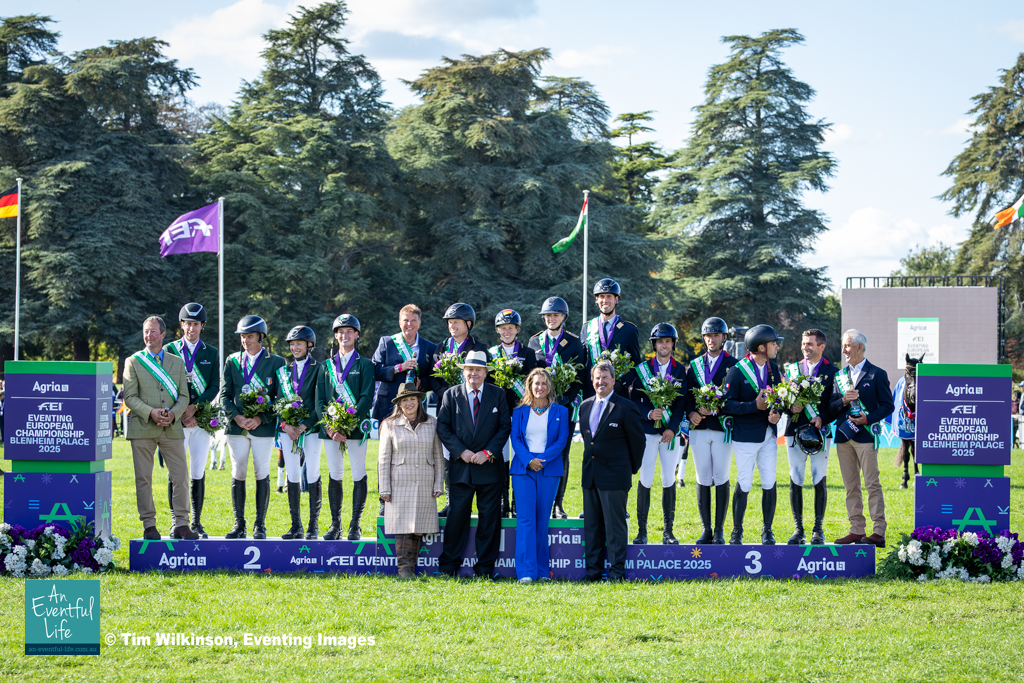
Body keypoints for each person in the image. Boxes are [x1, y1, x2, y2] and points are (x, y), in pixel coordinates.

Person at [435, 350, 511, 578]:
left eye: (479, 370)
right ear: (464, 372)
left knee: (490, 519)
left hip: (490, 466)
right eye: (470, 369)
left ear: (486, 373)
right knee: (457, 517)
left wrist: (487, 452)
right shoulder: (451, 394)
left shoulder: (498, 394)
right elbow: (443, 428)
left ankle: (485, 568)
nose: (474, 374)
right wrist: (462, 452)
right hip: (462, 467)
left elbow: (504, 427)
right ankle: (449, 566)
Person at [123, 316, 197, 540]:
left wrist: (174, 413)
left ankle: (182, 524)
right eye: (146, 331)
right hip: (143, 427)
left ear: (163, 334)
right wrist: (151, 412)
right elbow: (130, 396)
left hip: (172, 427)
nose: (149, 335)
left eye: (153, 331)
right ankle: (149, 525)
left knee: (181, 476)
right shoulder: (133, 361)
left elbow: (184, 395)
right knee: (144, 478)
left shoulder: (177, 362)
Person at [221, 315, 286, 539]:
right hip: (237, 427)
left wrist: (261, 419)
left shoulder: (276, 362)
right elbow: (224, 395)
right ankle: (239, 524)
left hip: (262, 428)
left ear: (261, 337)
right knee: (238, 472)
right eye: (242, 337)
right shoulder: (232, 361)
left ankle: (260, 524)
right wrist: (237, 418)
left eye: (249, 336)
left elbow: (280, 397)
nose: (245, 341)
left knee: (261, 472)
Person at [579, 361, 645, 581]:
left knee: (615, 528)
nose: (601, 382)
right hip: (590, 476)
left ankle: (616, 572)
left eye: (605, 378)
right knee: (592, 527)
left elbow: (638, 443)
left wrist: (628, 470)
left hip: (615, 476)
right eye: (597, 378)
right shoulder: (585, 406)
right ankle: (593, 572)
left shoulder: (626, 407)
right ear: (592, 380)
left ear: (614, 380)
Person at [829, 329, 894, 547]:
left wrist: (868, 419)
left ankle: (878, 531)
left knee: (872, 484)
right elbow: (831, 408)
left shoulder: (877, 374)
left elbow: (888, 406)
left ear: (859, 347)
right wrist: (844, 402)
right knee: (851, 486)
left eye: (847, 345)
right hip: (843, 437)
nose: (844, 350)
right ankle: (856, 530)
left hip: (866, 437)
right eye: (844, 345)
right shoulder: (838, 376)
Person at [624, 323, 687, 545]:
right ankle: (642, 531)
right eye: (660, 341)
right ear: (655, 344)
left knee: (669, 478)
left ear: (672, 344)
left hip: (670, 434)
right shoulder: (643, 368)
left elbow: (681, 404)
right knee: (646, 478)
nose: (664, 345)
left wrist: (672, 428)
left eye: (668, 341)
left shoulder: (680, 370)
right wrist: (649, 413)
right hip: (647, 432)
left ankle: (668, 532)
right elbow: (634, 400)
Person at [163, 303, 220, 539]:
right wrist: (181, 410)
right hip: (176, 420)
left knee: (197, 470)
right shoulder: (169, 350)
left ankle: (196, 522)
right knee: (176, 473)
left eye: (196, 324)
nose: (191, 328)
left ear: (202, 326)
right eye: (188, 323)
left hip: (200, 420)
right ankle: (177, 522)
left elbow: (215, 386)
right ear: (181, 325)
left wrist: (195, 408)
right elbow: (164, 383)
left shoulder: (212, 353)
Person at [316, 314, 375, 540]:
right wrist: (331, 427)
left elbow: (366, 398)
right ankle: (335, 525)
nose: (344, 335)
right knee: (335, 474)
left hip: (356, 428)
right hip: (331, 431)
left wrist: (347, 423)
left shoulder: (366, 365)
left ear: (356, 335)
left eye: (349, 331)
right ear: (335, 335)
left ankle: (355, 525)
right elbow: (319, 400)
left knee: (358, 473)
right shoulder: (325, 366)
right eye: (340, 331)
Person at [723, 324, 784, 545]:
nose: (777, 347)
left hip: (768, 434)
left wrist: (777, 413)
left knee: (769, 481)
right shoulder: (737, 371)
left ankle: (767, 531)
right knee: (745, 482)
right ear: (760, 347)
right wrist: (753, 406)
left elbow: (779, 399)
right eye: (773, 343)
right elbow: (726, 405)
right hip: (746, 436)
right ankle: (736, 531)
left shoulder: (773, 369)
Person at [527, 296, 586, 519]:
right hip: (539, 408)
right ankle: (539, 499)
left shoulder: (573, 343)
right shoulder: (533, 342)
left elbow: (580, 376)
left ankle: (558, 503)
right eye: (548, 316)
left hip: (563, 408)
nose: (551, 319)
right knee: (537, 452)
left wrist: (566, 399)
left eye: (556, 315)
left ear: (563, 317)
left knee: (561, 454)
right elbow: (529, 376)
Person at [378, 383, 445, 579]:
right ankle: (404, 569)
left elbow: (438, 456)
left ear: (419, 401)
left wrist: (438, 483)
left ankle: (411, 567)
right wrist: (385, 488)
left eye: (412, 399)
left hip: (425, 480)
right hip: (399, 483)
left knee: (419, 526)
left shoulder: (432, 423)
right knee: (402, 526)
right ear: (399, 403)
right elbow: (383, 459)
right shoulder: (389, 424)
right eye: (404, 400)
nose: (409, 403)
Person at [509, 368, 569, 583]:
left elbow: (561, 441)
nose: (540, 387)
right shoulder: (519, 411)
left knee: (542, 521)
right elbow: (515, 438)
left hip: (549, 468)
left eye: (543, 383)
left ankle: (543, 572)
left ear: (549, 385)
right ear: (530, 386)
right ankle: (526, 572)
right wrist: (528, 460)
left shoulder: (561, 412)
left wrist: (542, 460)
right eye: (536, 383)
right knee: (526, 520)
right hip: (523, 468)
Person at [433, 302, 489, 516]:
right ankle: (450, 500)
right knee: (449, 454)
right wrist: (448, 396)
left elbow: (484, 378)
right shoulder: (440, 348)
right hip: (448, 408)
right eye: (449, 322)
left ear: (468, 323)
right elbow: (432, 379)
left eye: (456, 322)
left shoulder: (479, 348)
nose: (451, 326)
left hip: (472, 409)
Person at [685, 317, 738, 544]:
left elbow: (736, 395)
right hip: (699, 428)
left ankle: (719, 531)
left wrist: (718, 405)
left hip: (721, 429)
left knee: (722, 476)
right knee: (702, 477)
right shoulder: (694, 365)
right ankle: (706, 530)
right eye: (708, 335)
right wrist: (691, 413)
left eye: (716, 335)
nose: (711, 339)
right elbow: (686, 396)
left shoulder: (734, 364)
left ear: (724, 338)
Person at [783, 329, 838, 545]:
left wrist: (823, 418)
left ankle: (818, 529)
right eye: (803, 343)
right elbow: (782, 399)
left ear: (821, 347)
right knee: (795, 477)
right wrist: (790, 407)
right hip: (794, 431)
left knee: (819, 478)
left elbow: (836, 404)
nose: (805, 347)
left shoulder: (833, 371)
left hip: (821, 433)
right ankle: (798, 530)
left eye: (810, 344)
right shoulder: (791, 369)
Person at [489, 308, 538, 518]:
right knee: (501, 457)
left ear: (517, 329)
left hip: (521, 412)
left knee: (520, 457)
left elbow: (533, 383)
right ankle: (503, 500)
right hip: (498, 413)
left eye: (510, 328)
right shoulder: (491, 353)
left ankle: (518, 500)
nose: (507, 331)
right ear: (498, 331)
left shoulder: (528, 353)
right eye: (503, 328)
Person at [277, 325, 323, 540]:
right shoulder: (283, 371)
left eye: (299, 344)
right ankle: (295, 525)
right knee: (292, 474)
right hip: (288, 431)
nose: (295, 347)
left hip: (311, 429)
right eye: (292, 344)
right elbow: (277, 400)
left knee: (312, 473)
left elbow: (320, 401)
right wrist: (286, 425)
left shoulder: (319, 368)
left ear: (309, 345)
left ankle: (313, 526)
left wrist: (304, 425)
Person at [370, 304, 438, 422]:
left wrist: (422, 384)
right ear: (400, 323)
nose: (409, 324)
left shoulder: (431, 347)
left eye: (413, 320)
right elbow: (374, 371)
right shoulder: (387, 342)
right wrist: (399, 367)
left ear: (419, 323)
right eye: (405, 320)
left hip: (416, 406)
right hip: (388, 405)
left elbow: (434, 376)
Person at [579, 279, 642, 398]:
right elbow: (583, 363)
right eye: (601, 296)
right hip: (592, 393)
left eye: (609, 296)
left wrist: (624, 382)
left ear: (616, 299)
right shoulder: (587, 328)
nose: (605, 300)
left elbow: (636, 363)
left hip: (618, 394)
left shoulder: (629, 330)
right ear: (596, 299)